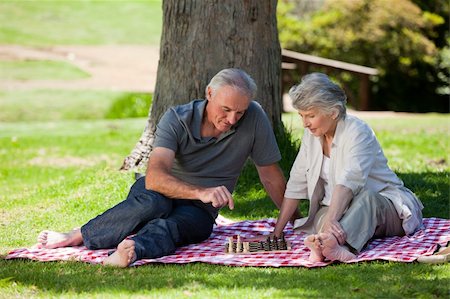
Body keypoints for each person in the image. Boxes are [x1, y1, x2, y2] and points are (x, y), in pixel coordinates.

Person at [37, 68, 295, 267]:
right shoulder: (177, 118)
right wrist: (201, 192)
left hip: (200, 210)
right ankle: (80, 234)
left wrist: (294, 221)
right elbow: (155, 178)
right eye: (226, 110)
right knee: (153, 205)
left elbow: (270, 176)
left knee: (177, 226)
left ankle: (133, 249)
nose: (232, 119)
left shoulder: (254, 116)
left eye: (239, 112)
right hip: (159, 193)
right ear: (209, 94)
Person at [272, 73, 424, 262]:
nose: (305, 123)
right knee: (321, 217)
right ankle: (327, 243)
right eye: (301, 116)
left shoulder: (358, 131)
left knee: (365, 200)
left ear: (333, 112)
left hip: (384, 207)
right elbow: (296, 182)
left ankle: (336, 246)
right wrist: (276, 233)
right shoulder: (311, 135)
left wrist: (331, 221)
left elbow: (349, 182)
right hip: (340, 210)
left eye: (311, 115)